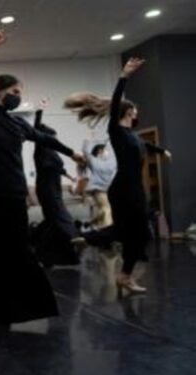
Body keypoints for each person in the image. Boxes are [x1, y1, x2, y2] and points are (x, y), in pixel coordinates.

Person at [0, 30, 85, 333]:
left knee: (13, 252)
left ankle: (0, 307)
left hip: (13, 195)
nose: (17, 96)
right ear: (0, 91)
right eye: (14, 90)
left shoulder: (17, 123)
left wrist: (73, 152)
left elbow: (45, 139)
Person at [64, 57, 171, 294]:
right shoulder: (117, 131)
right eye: (136, 109)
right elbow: (114, 106)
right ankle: (95, 244)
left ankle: (100, 251)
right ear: (129, 111)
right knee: (134, 231)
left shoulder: (133, 136)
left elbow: (145, 145)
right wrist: (124, 76)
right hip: (124, 188)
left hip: (132, 189)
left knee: (136, 232)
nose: (138, 112)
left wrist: (162, 151)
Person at [31, 103, 86, 268]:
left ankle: (43, 255)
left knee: (51, 222)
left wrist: (71, 177)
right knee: (62, 219)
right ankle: (74, 242)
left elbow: (59, 168)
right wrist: (39, 111)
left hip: (54, 188)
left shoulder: (52, 152)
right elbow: (35, 129)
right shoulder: (40, 149)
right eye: (52, 137)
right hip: (46, 190)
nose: (54, 139)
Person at [82, 139, 117, 229]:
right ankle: (106, 229)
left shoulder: (111, 162)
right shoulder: (94, 161)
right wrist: (87, 141)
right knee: (106, 209)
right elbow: (85, 152)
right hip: (97, 190)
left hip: (108, 189)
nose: (104, 152)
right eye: (101, 150)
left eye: (104, 149)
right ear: (97, 152)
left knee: (104, 210)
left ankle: (91, 223)